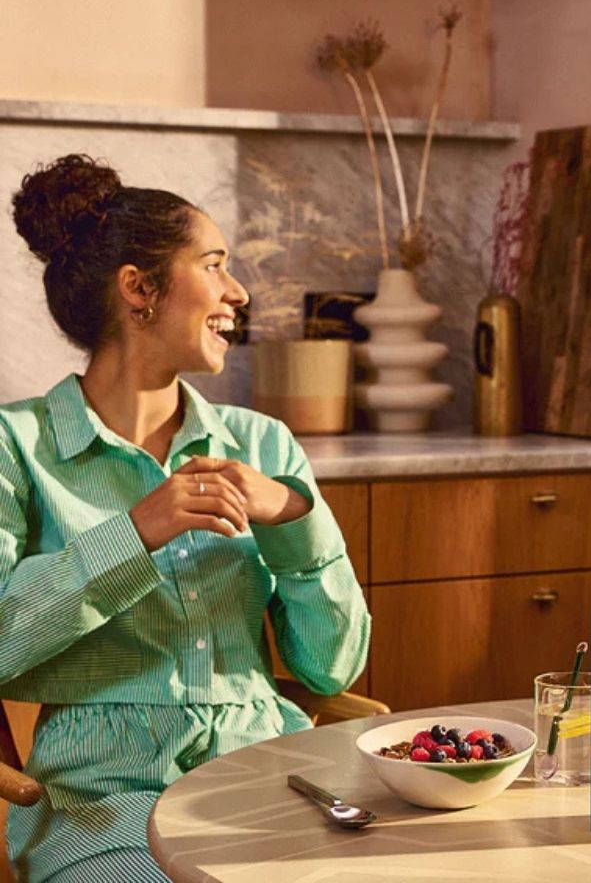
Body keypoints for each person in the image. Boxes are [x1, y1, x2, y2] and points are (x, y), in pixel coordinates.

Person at [0, 155, 371, 881]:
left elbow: (334, 666)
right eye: (214, 264)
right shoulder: (16, 446)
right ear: (139, 288)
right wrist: (133, 534)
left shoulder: (263, 445)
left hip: (273, 789)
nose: (238, 291)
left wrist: (292, 515)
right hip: (101, 812)